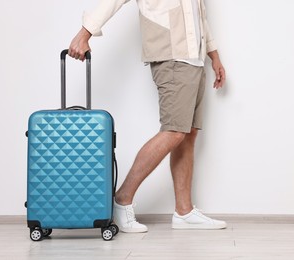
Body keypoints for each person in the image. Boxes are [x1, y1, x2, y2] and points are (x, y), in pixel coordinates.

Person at [68, 0, 227, 233]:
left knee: (188, 134)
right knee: (174, 131)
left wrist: (214, 57)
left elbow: (200, 15)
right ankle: (122, 199)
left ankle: (184, 211)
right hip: (171, 57)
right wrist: (84, 34)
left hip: (196, 59)